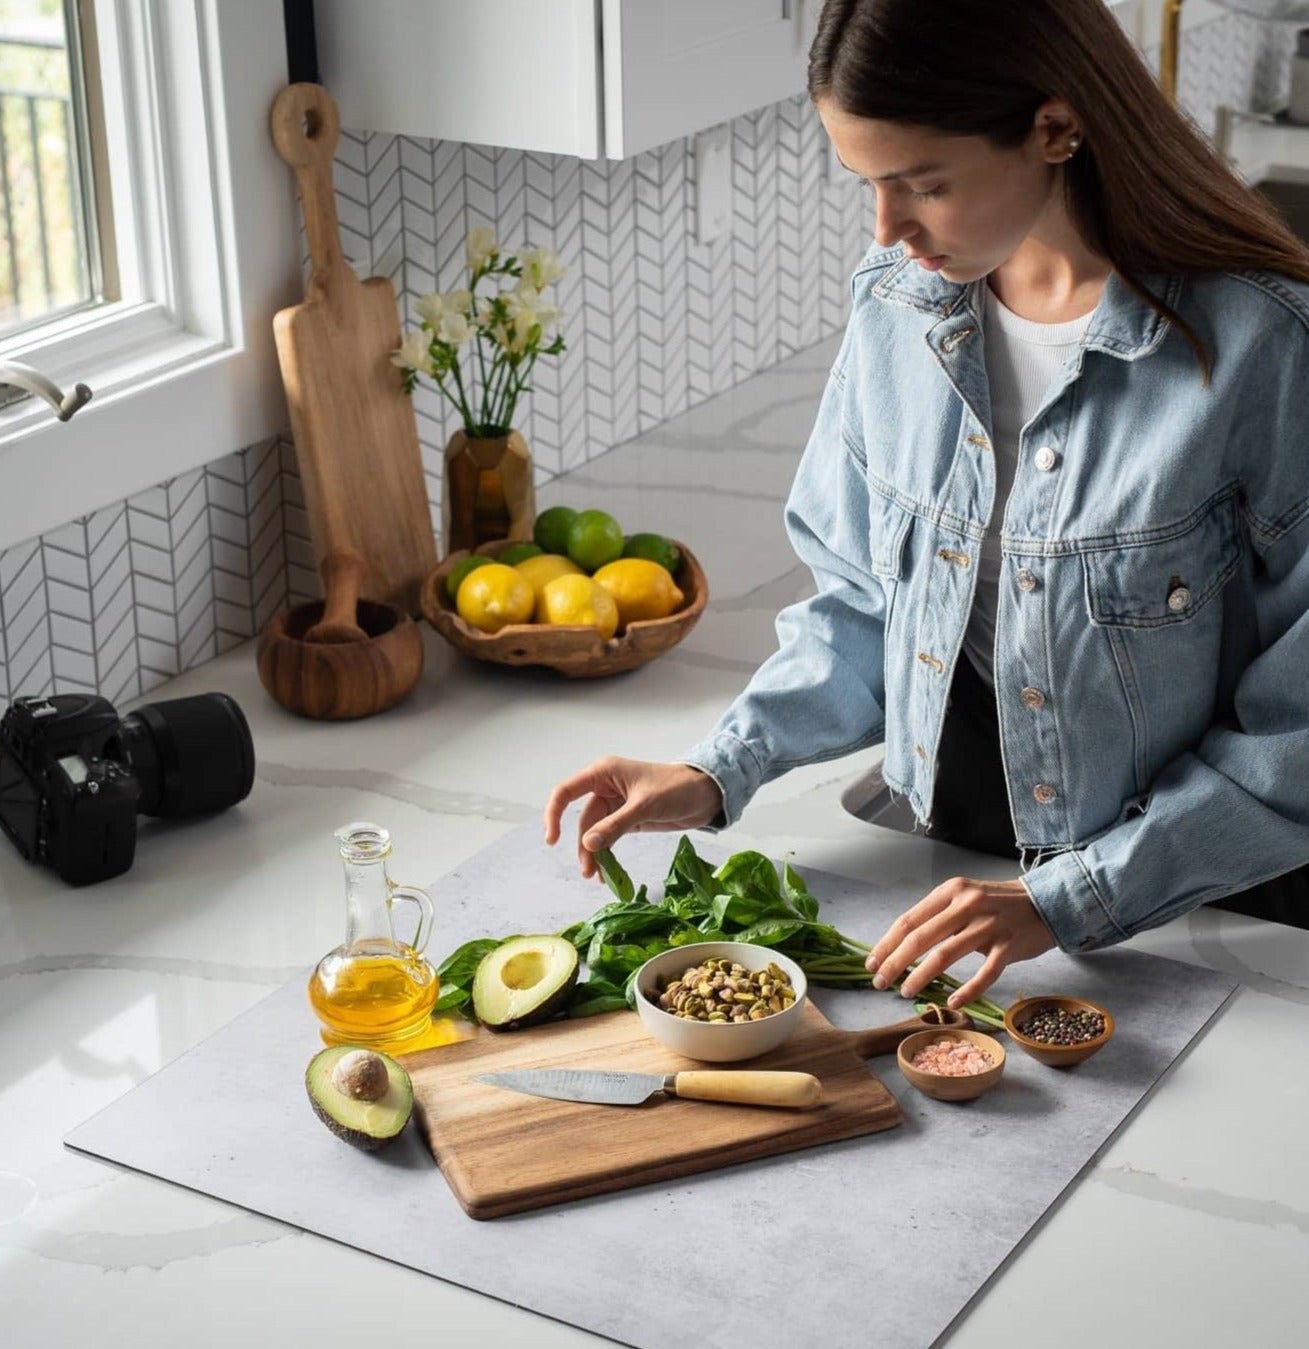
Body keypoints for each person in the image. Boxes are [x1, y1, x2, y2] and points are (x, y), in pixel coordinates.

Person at [545, 0, 1309, 1011]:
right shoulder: (895, 308)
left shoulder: (1265, 347)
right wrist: (718, 767)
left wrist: (1063, 899)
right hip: (974, 855)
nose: (887, 229)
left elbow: (1295, 733)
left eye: (922, 184)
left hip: (1213, 906)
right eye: (869, 183)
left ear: (1053, 128)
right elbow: (865, 604)